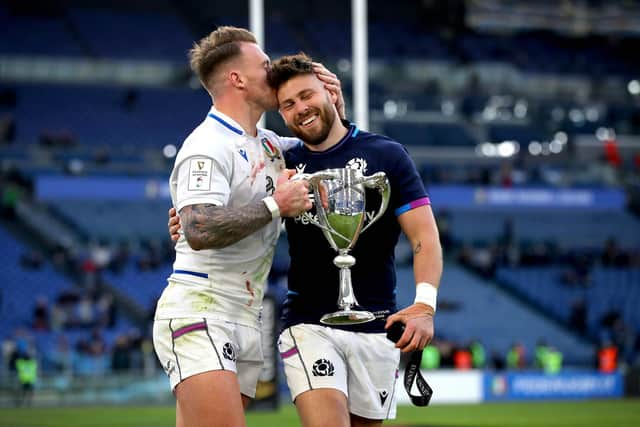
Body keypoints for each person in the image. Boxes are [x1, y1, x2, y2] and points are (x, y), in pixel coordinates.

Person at [169, 53, 442, 426]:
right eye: (288, 104)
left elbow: (424, 234)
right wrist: (185, 223)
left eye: (307, 96)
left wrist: (425, 305)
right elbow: (213, 204)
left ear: (330, 92)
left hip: (375, 326)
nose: (300, 109)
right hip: (308, 324)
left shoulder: (388, 155)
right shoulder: (283, 159)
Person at [153, 27, 345, 427]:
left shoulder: (270, 145)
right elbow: (199, 228)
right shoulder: (207, 145)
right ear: (237, 79)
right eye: (263, 65)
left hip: (245, 313)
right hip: (201, 309)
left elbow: (330, 150)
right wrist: (277, 204)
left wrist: (333, 107)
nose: (272, 72)